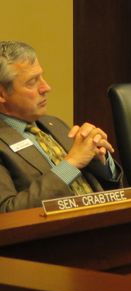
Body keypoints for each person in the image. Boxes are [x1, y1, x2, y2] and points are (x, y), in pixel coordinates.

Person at [0, 41, 122, 212]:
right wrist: (71, 164)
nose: (46, 87)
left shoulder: (54, 124)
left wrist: (99, 161)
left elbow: (109, 186)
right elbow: (7, 213)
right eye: (32, 82)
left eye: (41, 77)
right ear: (2, 94)